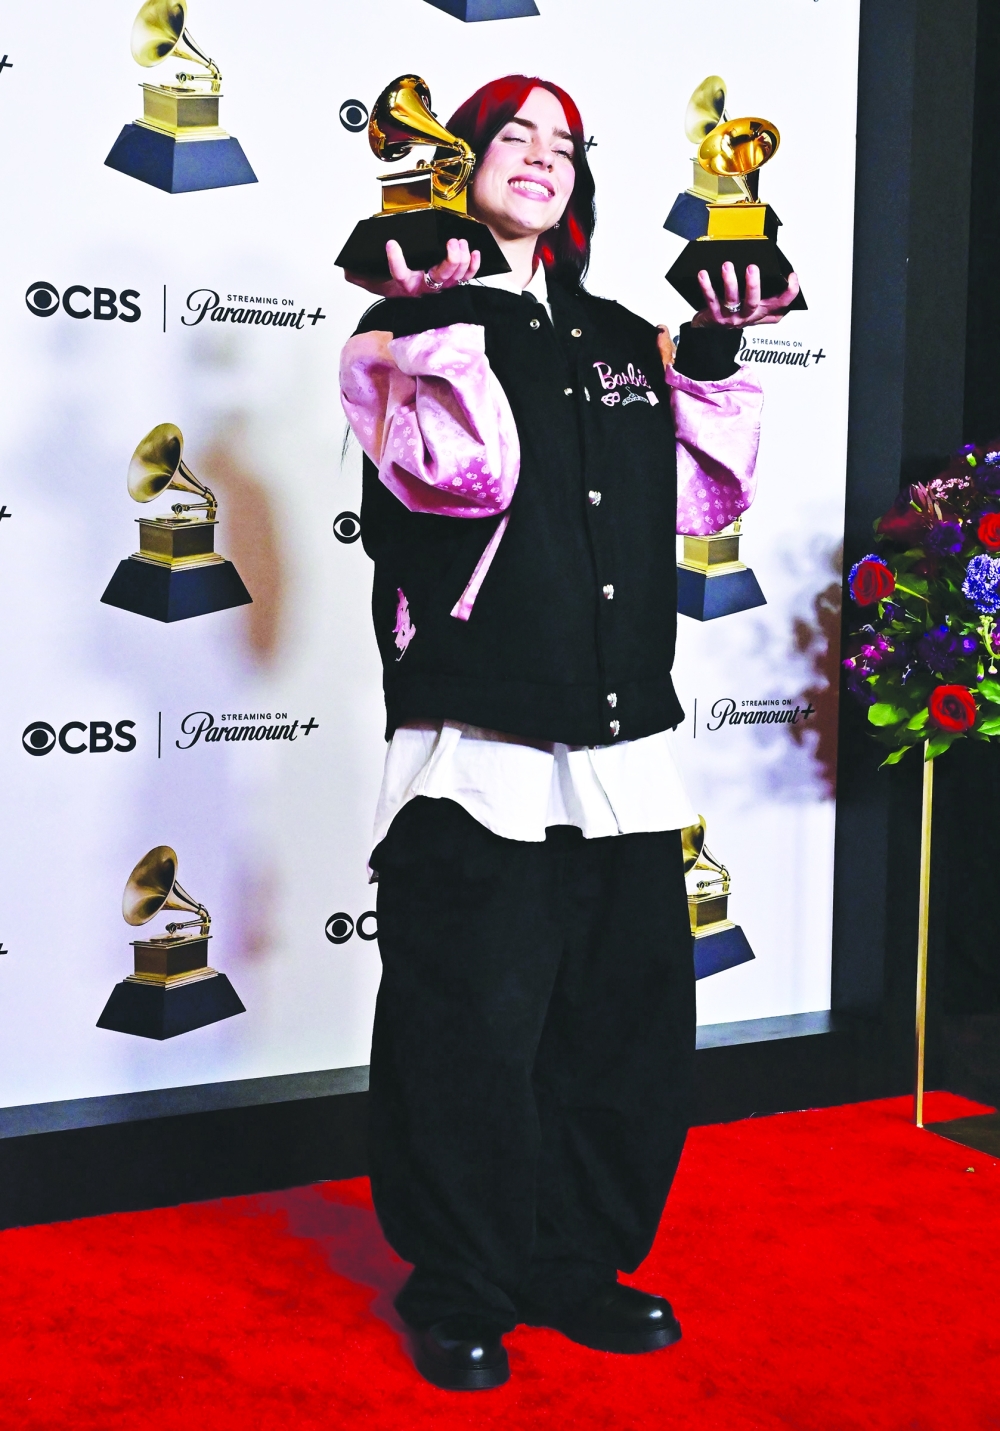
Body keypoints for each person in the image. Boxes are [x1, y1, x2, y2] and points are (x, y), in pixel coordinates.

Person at [340, 74, 797, 1392]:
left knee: (621, 1020)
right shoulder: (398, 326)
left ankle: (571, 1259)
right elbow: (464, 477)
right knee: (467, 1022)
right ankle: (462, 1277)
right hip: (477, 737)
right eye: (510, 138)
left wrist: (706, 360)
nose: (540, 158)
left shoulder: (619, 334)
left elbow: (710, 496)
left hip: (623, 743)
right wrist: (454, 315)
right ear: (456, 165)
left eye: (562, 145)